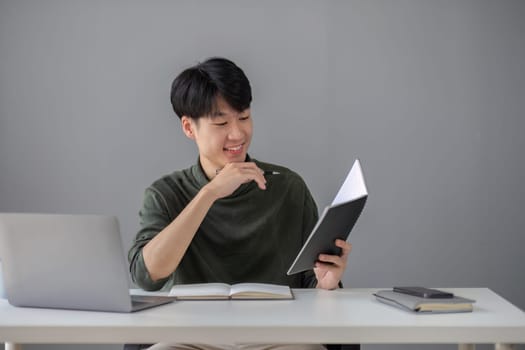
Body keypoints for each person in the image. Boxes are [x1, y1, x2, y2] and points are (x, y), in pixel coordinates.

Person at [128, 57, 352, 350]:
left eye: (244, 117)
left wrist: (328, 284)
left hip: (278, 335)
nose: (237, 134)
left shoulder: (288, 187)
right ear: (188, 127)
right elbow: (147, 277)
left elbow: (314, 286)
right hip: (188, 336)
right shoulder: (165, 193)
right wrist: (209, 193)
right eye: (221, 122)